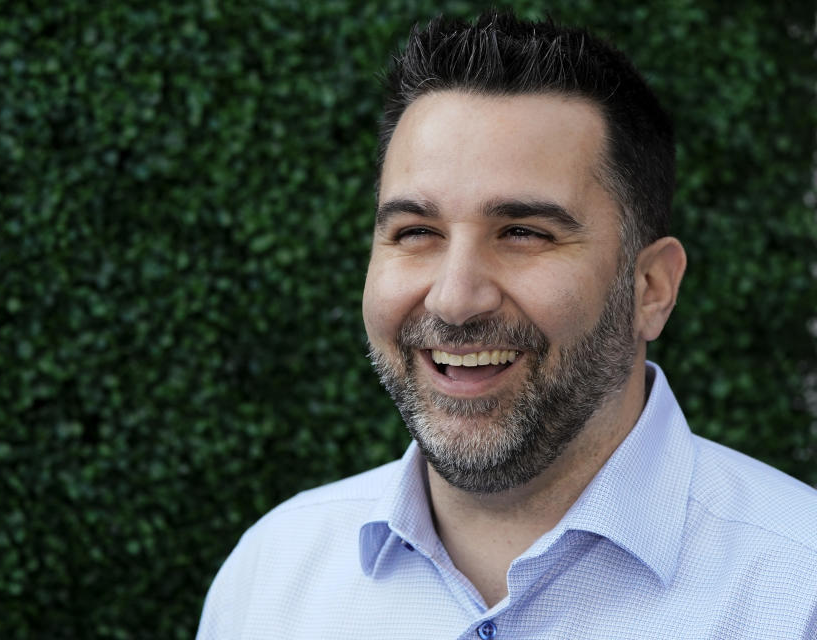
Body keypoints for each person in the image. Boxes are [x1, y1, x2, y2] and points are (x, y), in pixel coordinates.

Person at [197, 10, 817, 639]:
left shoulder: (799, 593)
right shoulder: (268, 579)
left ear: (651, 288)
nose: (455, 299)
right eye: (416, 232)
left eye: (523, 233)